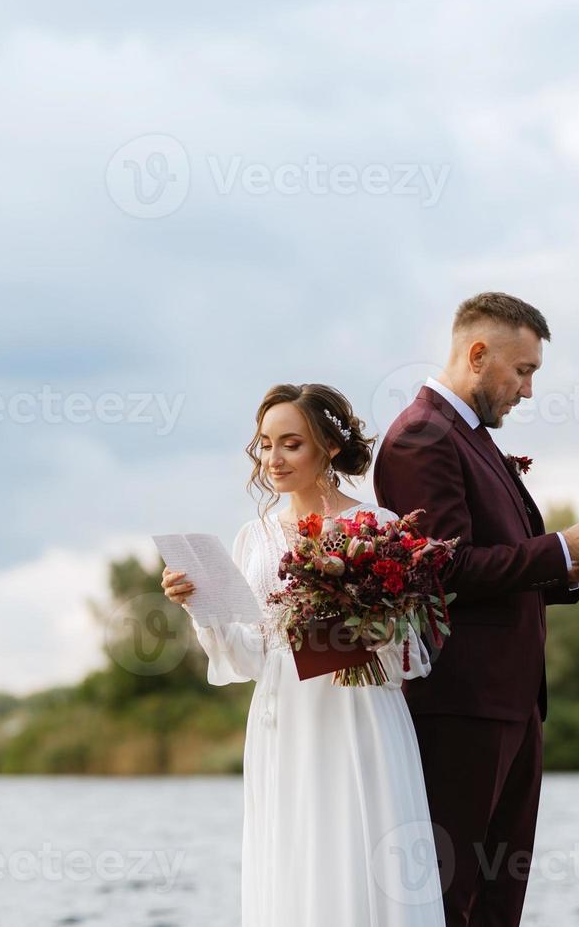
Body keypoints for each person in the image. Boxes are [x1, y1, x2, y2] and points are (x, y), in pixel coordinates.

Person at [374, 291, 579, 926]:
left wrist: (568, 571)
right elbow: (444, 569)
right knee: (451, 895)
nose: (528, 390)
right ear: (478, 353)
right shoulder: (420, 438)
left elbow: (496, 558)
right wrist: (558, 548)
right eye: (524, 371)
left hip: (511, 703)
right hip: (462, 703)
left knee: (499, 900)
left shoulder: (471, 437)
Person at [161, 382, 445, 927]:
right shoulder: (255, 537)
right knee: (292, 862)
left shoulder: (380, 528)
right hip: (282, 720)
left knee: (360, 855)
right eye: (265, 444)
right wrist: (201, 607)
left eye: (291, 443)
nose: (273, 458)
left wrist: (365, 617)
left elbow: (409, 654)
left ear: (329, 448)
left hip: (359, 715)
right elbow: (250, 658)